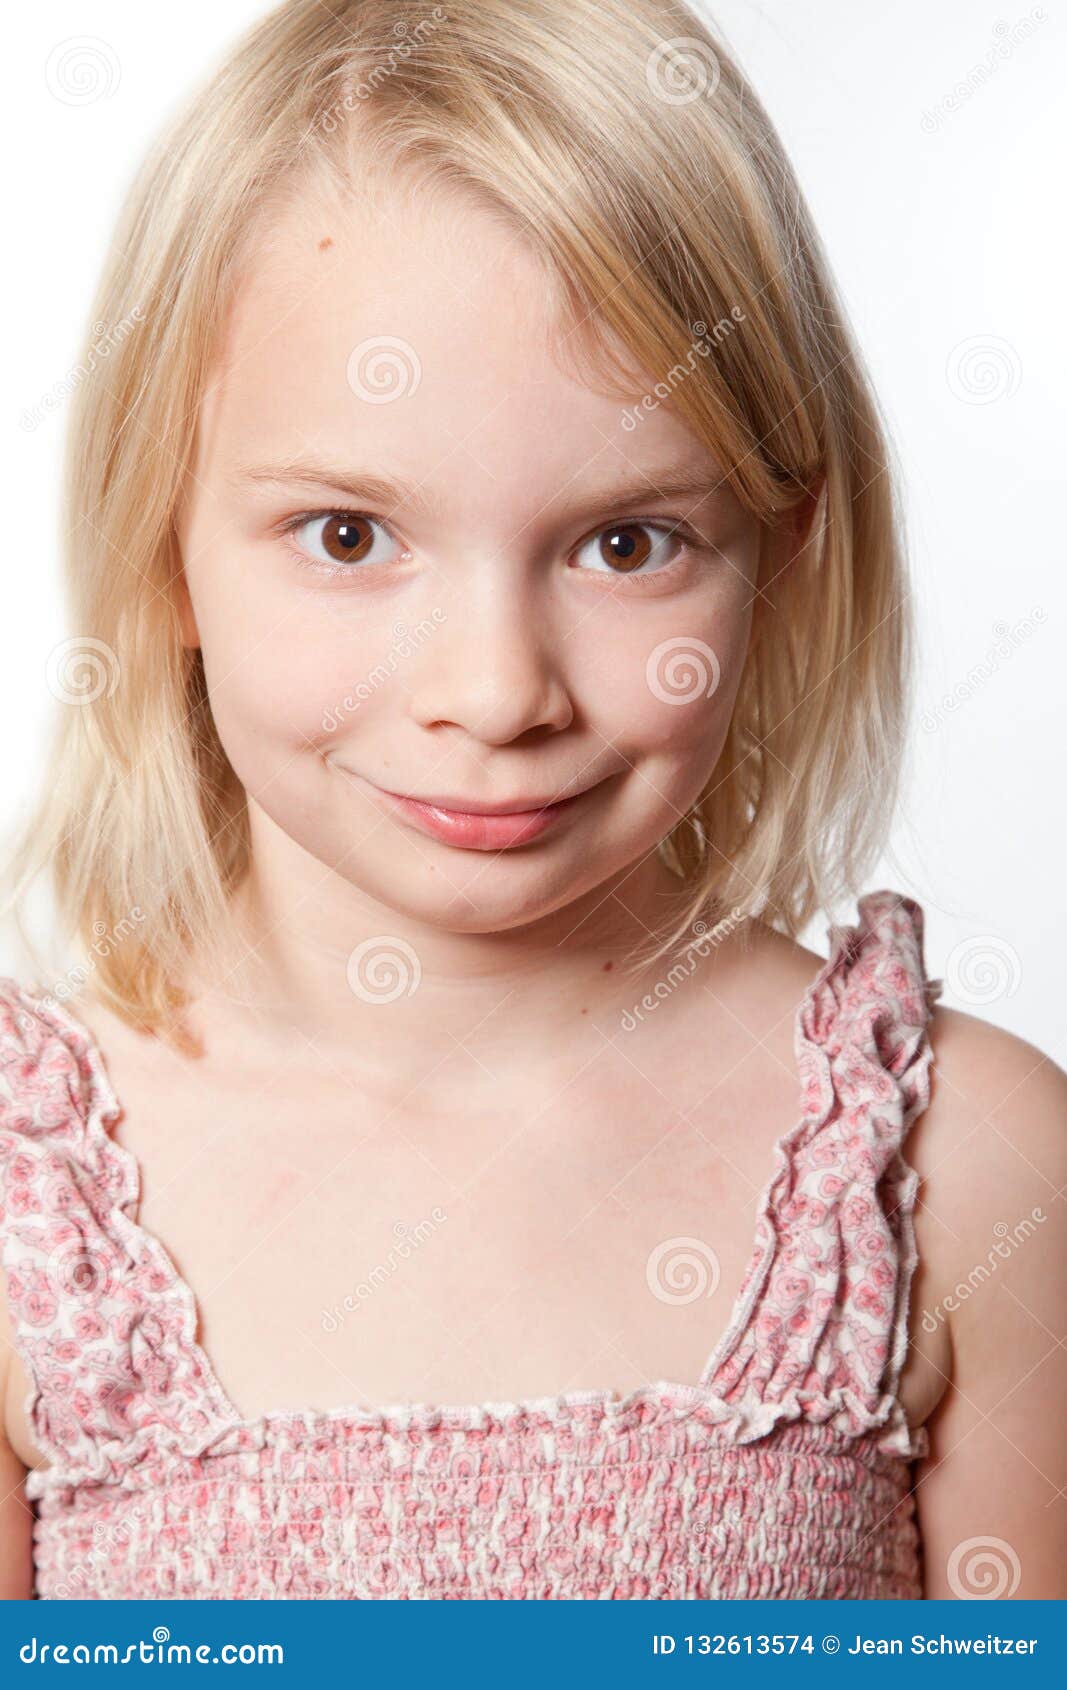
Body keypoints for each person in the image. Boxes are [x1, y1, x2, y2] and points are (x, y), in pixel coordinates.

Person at [0, 0, 1063, 1600]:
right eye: (350, 535)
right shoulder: (31, 1220)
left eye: (627, 542)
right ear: (166, 550)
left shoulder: (963, 1171)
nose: (497, 692)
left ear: (779, 552)